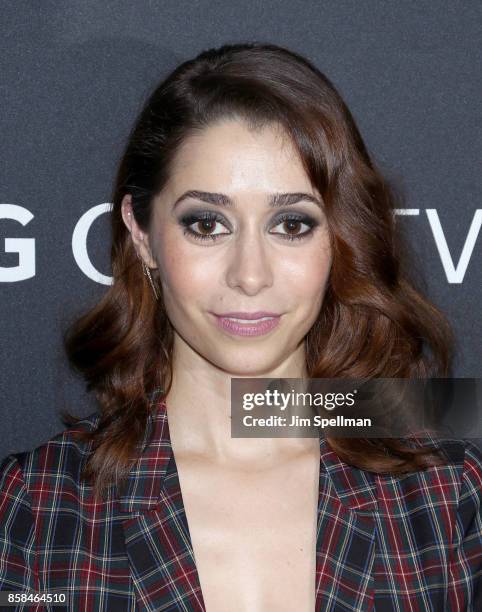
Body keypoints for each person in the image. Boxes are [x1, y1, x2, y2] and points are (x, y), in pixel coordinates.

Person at [1, 42, 481, 612]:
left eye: (292, 224)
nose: (250, 275)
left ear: (341, 237)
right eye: (207, 223)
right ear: (141, 234)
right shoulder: (35, 509)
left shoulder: (446, 497)